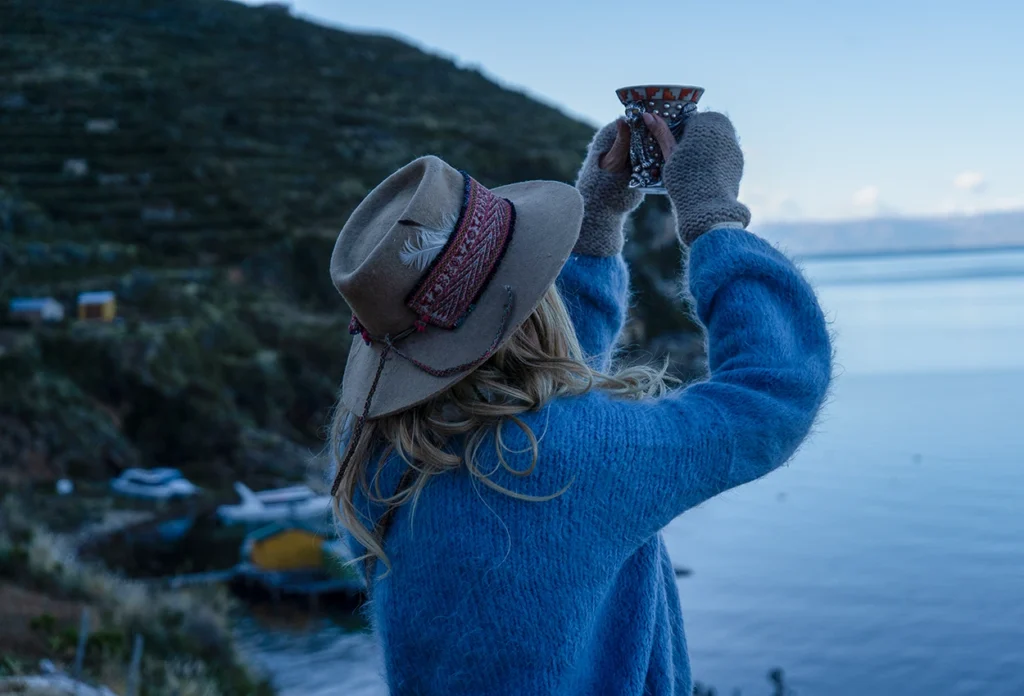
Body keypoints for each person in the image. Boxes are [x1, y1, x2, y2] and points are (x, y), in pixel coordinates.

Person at [327, 109, 832, 695]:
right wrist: (713, 215)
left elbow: (540, 391)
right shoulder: (571, 458)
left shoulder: (367, 452)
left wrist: (596, 224)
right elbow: (773, 391)